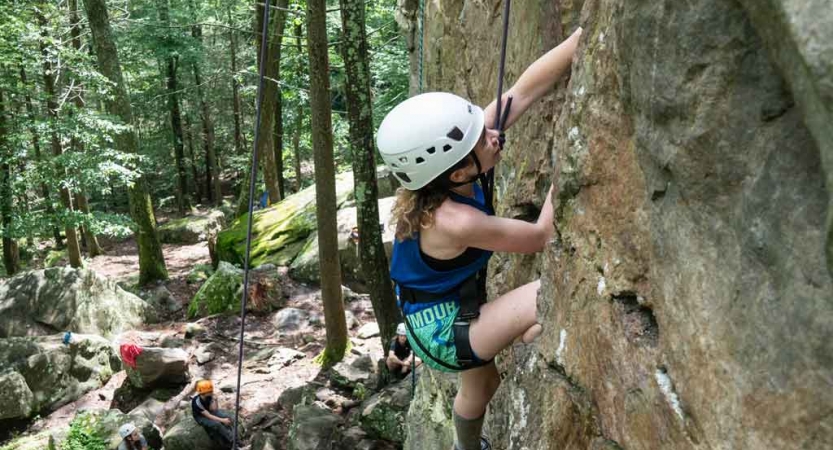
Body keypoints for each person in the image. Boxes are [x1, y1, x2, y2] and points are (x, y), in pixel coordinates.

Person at [377, 27, 583, 450]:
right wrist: (574, 152)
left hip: (429, 311)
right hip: (442, 331)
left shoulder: (451, 162)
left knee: (482, 386)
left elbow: (522, 92)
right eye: (480, 139)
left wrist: (584, 36)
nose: (492, 134)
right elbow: (542, 235)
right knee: (549, 293)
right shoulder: (455, 221)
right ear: (457, 173)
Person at [192, 379, 235, 447]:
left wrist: (215, 399)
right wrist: (223, 420)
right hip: (201, 417)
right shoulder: (197, 402)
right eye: (210, 391)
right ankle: (232, 440)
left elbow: (214, 409)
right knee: (217, 424)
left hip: (209, 411)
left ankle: (235, 438)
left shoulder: (208, 396)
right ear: (204, 392)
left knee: (229, 417)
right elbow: (209, 416)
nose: (212, 392)